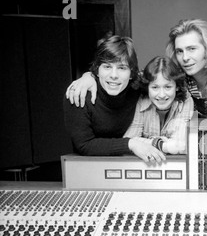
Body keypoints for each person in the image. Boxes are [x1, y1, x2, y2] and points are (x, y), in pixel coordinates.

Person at [66, 19, 207, 118]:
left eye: (191, 49)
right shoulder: (176, 76)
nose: (185, 58)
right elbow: (128, 75)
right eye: (180, 51)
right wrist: (90, 75)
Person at [63, 35, 165, 164]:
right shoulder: (80, 95)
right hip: (87, 167)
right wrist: (131, 144)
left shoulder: (137, 87)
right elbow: (84, 145)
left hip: (129, 164)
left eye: (122, 68)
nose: (114, 75)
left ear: (131, 73)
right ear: (97, 70)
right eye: (107, 67)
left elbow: (169, 82)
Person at [124, 56, 194, 156]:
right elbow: (129, 140)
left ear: (177, 86)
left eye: (168, 87)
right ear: (147, 87)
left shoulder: (186, 100)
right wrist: (162, 145)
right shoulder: (140, 100)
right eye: (155, 87)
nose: (161, 95)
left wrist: (149, 143)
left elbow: (180, 145)